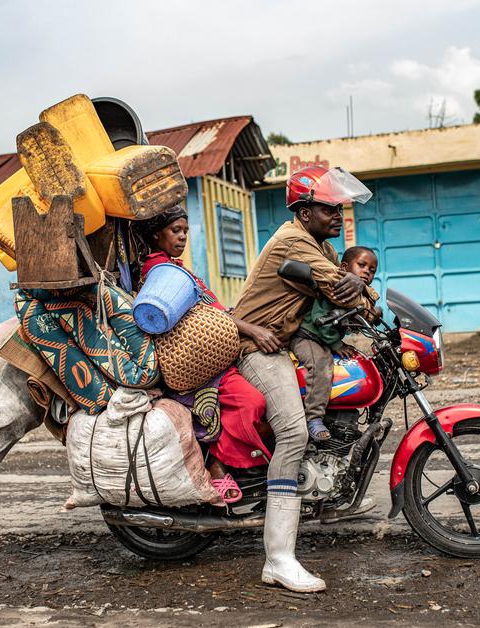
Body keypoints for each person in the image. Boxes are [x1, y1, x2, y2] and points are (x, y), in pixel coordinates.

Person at [232, 165, 376, 593]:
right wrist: (360, 292)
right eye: (328, 207)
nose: (337, 214)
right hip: (259, 347)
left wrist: (364, 296)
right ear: (304, 210)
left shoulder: (320, 245)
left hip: (287, 342)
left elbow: (354, 287)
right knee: (294, 432)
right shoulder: (294, 240)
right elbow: (340, 287)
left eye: (339, 207)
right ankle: (278, 559)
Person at [139, 206, 279, 502]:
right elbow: (196, 315)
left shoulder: (174, 267)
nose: (182, 237)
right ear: (155, 235)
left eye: (185, 232)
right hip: (195, 365)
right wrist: (251, 330)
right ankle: (217, 463)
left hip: (211, 357)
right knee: (250, 401)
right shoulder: (158, 271)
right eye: (175, 231)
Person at [290, 245, 380, 441]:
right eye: (362, 265)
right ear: (345, 267)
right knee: (322, 365)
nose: (366, 272)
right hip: (307, 337)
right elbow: (321, 321)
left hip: (321, 338)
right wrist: (337, 345)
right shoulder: (336, 287)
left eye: (372, 270)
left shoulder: (354, 292)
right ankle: (313, 418)